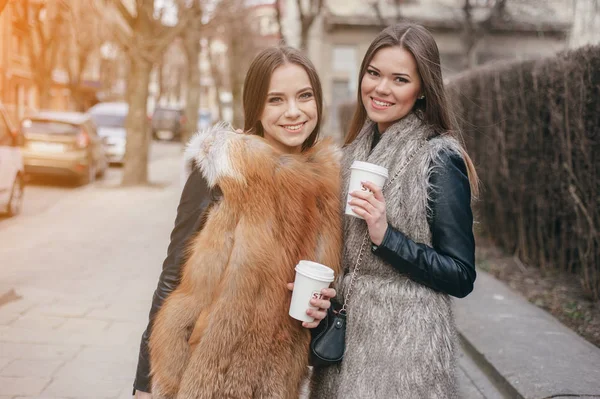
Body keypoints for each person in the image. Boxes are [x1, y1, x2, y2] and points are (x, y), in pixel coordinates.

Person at [133, 46, 341, 398]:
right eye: (276, 100)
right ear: (256, 106)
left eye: (304, 96)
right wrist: (145, 384)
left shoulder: (329, 182)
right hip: (203, 381)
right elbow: (171, 278)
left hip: (279, 387)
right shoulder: (222, 169)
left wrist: (325, 309)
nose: (294, 111)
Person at [309, 23, 479, 399]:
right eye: (373, 73)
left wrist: (386, 237)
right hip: (346, 348)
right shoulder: (353, 152)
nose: (381, 88)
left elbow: (461, 274)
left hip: (406, 358)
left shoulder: (438, 159)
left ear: (421, 91)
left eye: (399, 79)